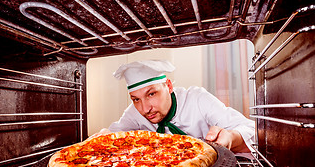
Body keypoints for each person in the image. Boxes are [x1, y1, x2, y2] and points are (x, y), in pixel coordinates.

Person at [98, 60, 255, 153]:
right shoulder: (134, 112)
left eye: (151, 94)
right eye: (136, 99)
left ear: (169, 86)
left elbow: (251, 131)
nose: (145, 109)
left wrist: (230, 138)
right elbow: (113, 135)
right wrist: (104, 135)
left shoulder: (197, 99)